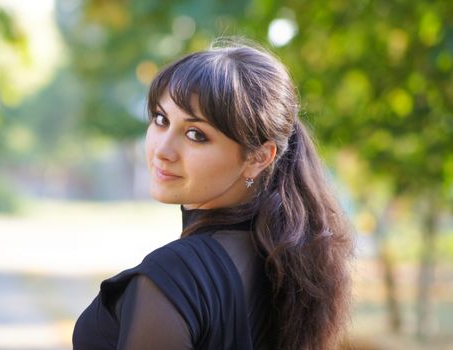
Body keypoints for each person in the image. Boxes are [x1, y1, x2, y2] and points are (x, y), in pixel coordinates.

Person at [73, 39, 353, 350]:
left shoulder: (175, 277)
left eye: (196, 135)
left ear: (258, 158)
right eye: (161, 119)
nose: (162, 150)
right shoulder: (285, 259)